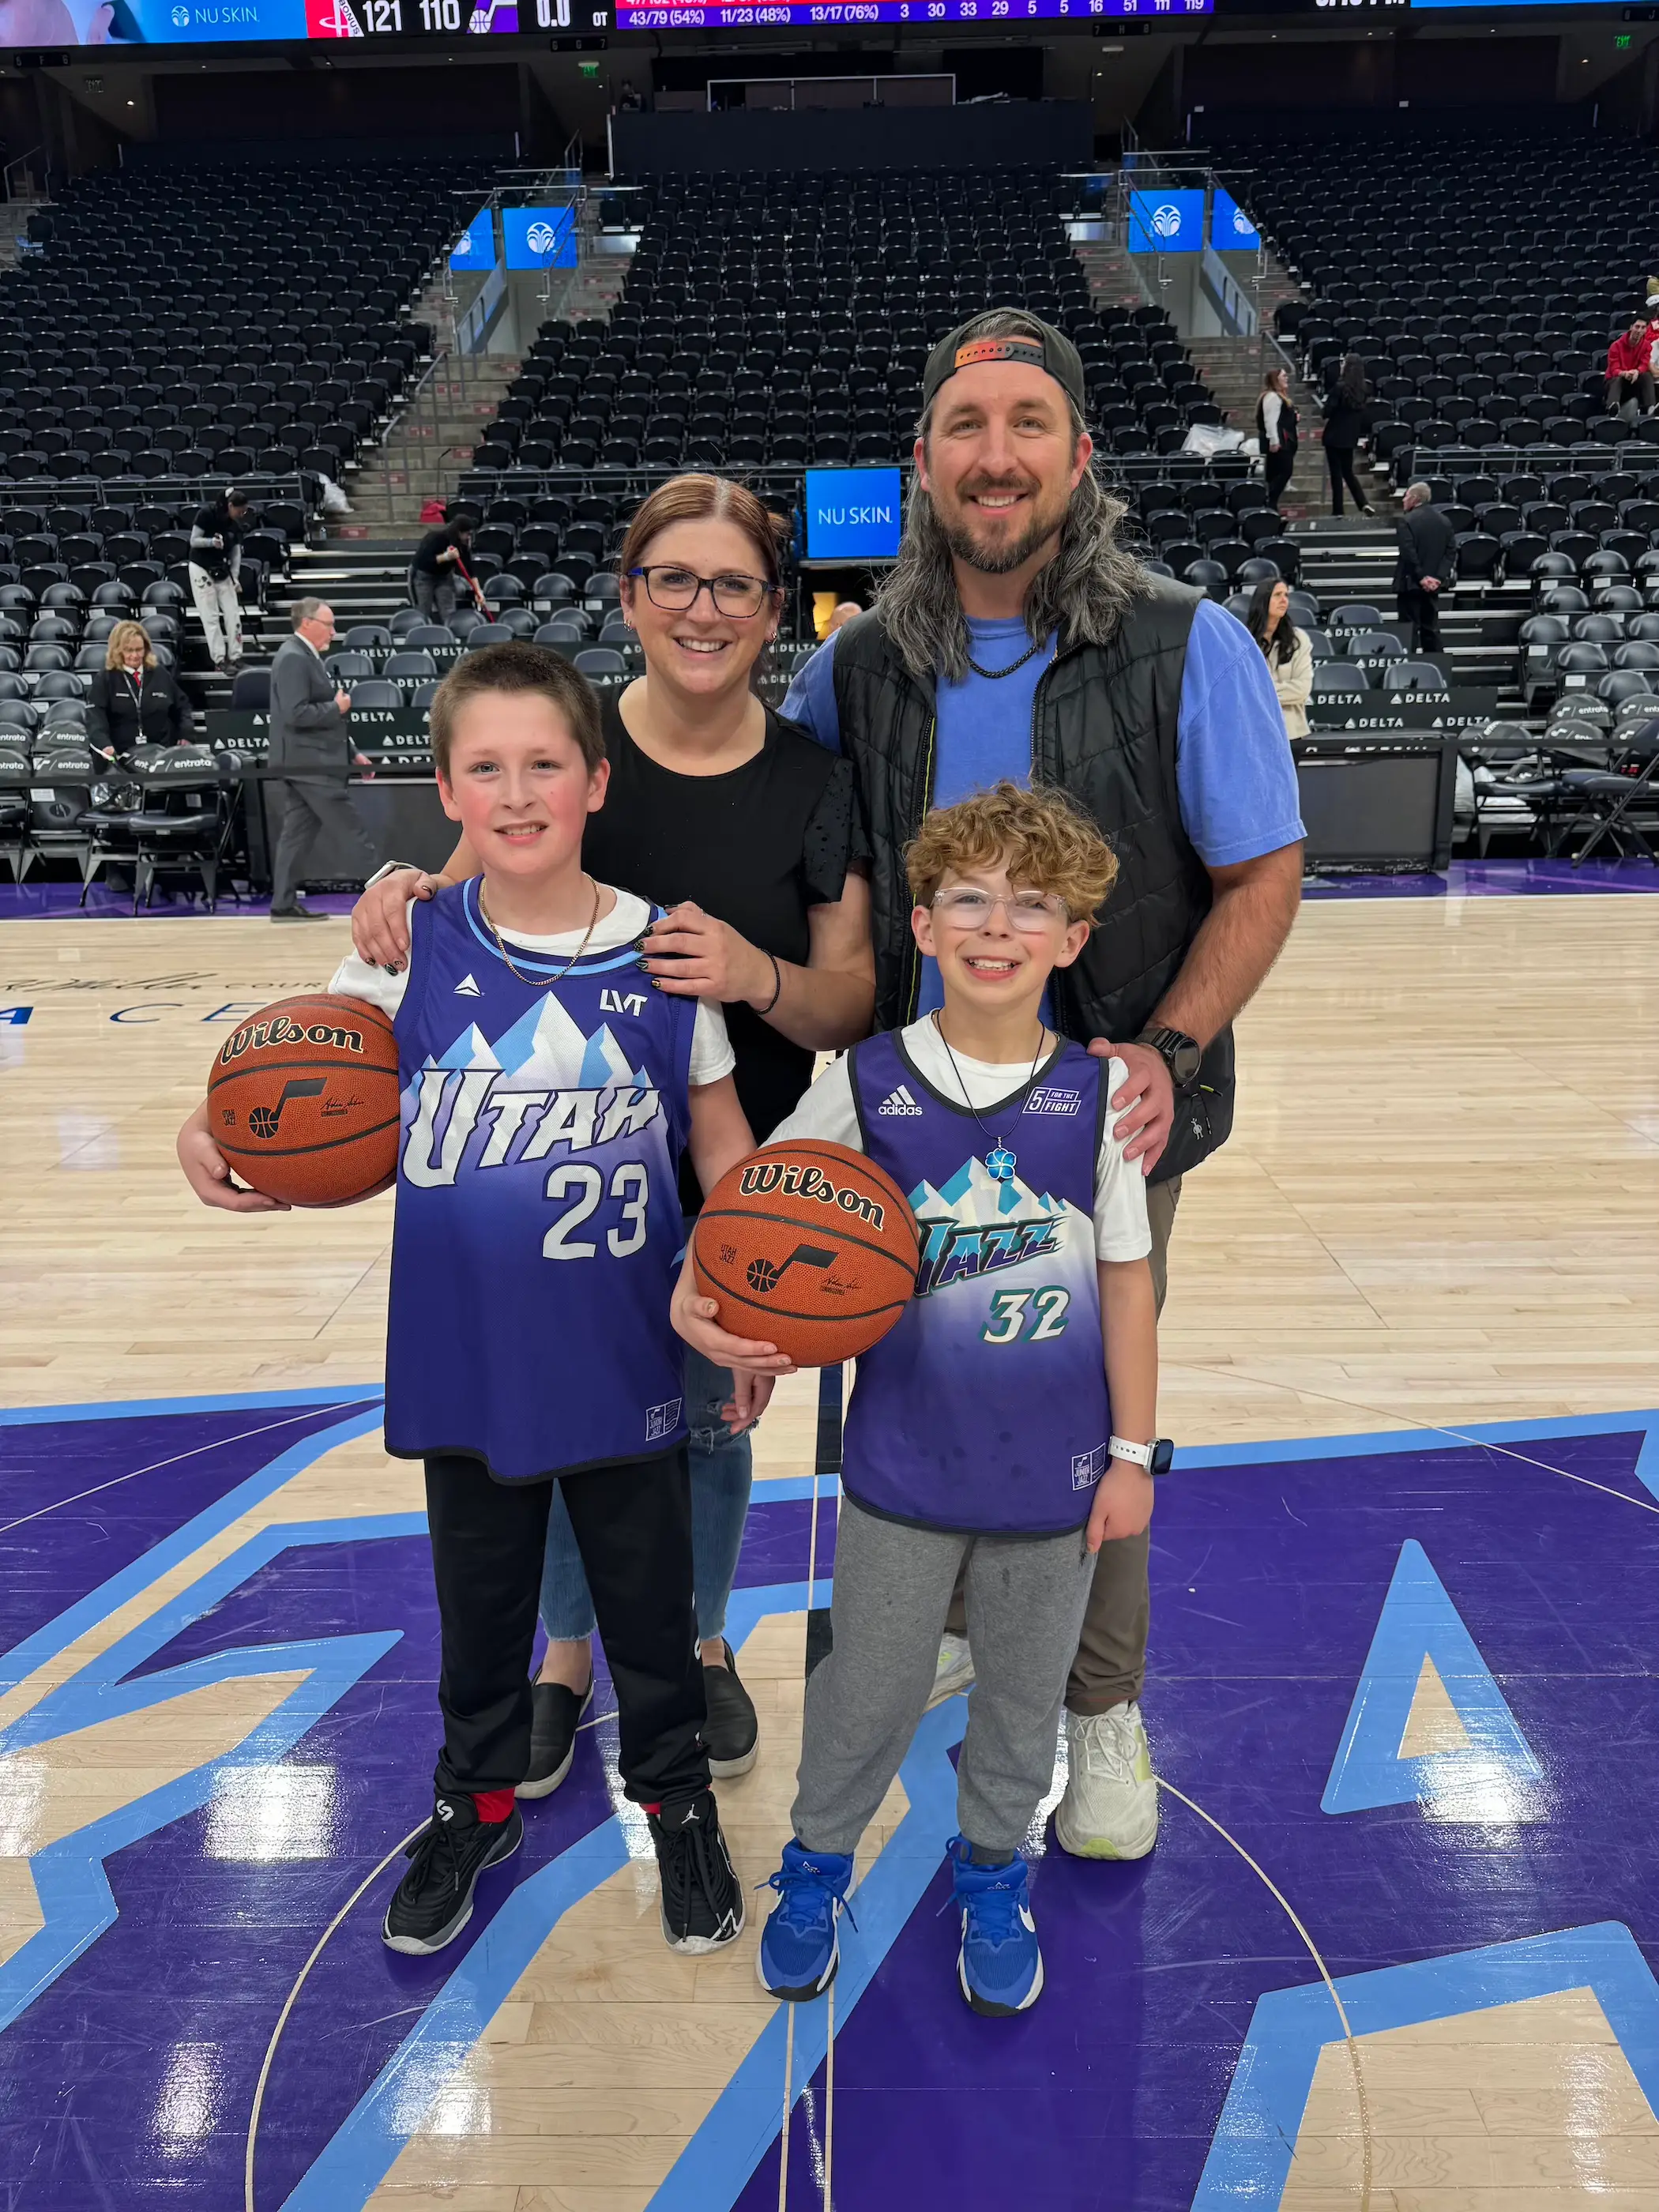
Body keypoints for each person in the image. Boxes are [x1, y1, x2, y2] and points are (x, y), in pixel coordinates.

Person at [777, 307, 1305, 1862]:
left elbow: (1263, 875)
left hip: (1099, 1120)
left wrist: (1173, 1045)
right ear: (923, 465)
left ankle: (1098, 1697)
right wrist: (458, 865)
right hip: (910, 1104)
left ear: (1079, 457)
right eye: (965, 427)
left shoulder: (1180, 638)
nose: (994, 455)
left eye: (1026, 424)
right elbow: (720, 789)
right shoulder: (860, 665)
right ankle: (953, 1611)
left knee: (1087, 1407)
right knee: (918, 1376)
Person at [176, 643, 757, 1961]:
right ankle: (474, 1802)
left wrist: (737, 1283)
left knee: (653, 1617)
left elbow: (723, 1151)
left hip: (627, 1359)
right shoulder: (405, 948)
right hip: (467, 1361)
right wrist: (206, 1137)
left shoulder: (666, 954)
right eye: (485, 767)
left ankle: (675, 1807)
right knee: (480, 1612)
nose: (516, 792)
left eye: (544, 763)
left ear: (597, 781)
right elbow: (283, 1084)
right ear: (445, 789)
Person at [345, 475, 875, 1790]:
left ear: (773, 606)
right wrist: (400, 888)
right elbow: (461, 905)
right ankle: (568, 1656)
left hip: (725, 1154)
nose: (704, 610)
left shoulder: (817, 781)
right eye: (675, 581)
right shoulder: (568, 746)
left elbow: (850, 995)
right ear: (632, 595)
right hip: (556, 1154)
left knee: (704, 1426)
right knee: (568, 1415)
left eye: (734, 584)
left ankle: (692, 1644)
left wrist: (754, 976)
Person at [724, 784, 1161, 2016]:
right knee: (865, 1688)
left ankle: (990, 1870)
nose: (996, 925)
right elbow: (771, 1214)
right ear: (922, 925)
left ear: (1072, 940)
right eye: (967, 896)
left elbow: (1127, 1288)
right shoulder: (865, 1083)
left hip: (1056, 1478)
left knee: (1024, 1703)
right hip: (902, 1470)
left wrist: (1130, 1453)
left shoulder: (1098, 1100)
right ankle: (815, 1865)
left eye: (1034, 905)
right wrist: (750, 1321)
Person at [265, 598, 378, 923]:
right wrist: (337, 708)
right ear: (307, 623)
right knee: (353, 831)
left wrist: (352, 751)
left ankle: (282, 905)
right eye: (328, 624)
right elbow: (296, 713)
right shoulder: (293, 658)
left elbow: (317, 716)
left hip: (309, 762)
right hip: (310, 766)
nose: (333, 631)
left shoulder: (303, 656)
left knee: (296, 836)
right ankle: (394, 896)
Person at [85, 620, 193, 757]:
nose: (135, 655)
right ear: (117, 650)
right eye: (129, 650)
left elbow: (182, 706)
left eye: (139, 649)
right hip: (120, 756)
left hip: (160, 753)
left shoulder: (160, 674)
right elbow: (95, 717)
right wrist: (105, 745)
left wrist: (186, 734)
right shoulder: (105, 678)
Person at [188, 487, 252, 673]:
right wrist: (211, 543)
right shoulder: (206, 514)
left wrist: (236, 577)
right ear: (230, 505)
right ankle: (219, 659)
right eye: (240, 511)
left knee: (233, 615)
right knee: (211, 617)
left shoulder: (235, 525)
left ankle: (236, 656)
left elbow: (236, 553)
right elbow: (194, 540)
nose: (242, 514)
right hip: (201, 568)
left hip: (223, 570)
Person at [1393, 482, 1457, 656]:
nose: (1403, 500)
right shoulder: (1444, 521)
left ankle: (1408, 670)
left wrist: (1421, 577)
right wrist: (1437, 578)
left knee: (1408, 632)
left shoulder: (1407, 521)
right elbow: (1451, 552)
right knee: (1431, 629)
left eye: (1406, 496)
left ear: (1414, 499)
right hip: (1433, 587)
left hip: (1410, 585)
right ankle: (1436, 671)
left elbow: (1408, 553)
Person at [1245, 578, 1311, 739]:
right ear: (1263, 600)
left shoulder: (1299, 639)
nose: (1284, 600)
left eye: (1286, 595)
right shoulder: (1244, 640)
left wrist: (1261, 692)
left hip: (1291, 733)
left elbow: (1302, 689)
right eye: (1277, 595)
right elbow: (1243, 690)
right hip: (1254, 732)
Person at [1321, 355, 1373, 518]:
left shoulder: (1339, 387)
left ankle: (1338, 510)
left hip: (1334, 436)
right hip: (1350, 438)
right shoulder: (1363, 389)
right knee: (1348, 472)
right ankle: (1363, 502)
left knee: (1336, 474)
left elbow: (1327, 411)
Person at [409, 514, 476, 624]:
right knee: (423, 611)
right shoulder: (435, 538)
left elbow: (470, 570)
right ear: (459, 532)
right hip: (423, 576)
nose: (469, 537)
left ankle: (450, 635)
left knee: (448, 611)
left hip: (444, 577)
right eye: (467, 534)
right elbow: (426, 560)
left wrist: (478, 592)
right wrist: (446, 557)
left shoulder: (462, 546)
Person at [1258, 366, 1298, 511]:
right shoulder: (1272, 397)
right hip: (1279, 442)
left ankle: (1271, 506)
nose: (1286, 378)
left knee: (1276, 473)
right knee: (1285, 471)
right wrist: (1274, 441)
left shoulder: (1281, 397)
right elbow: (1270, 421)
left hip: (1284, 440)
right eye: (1283, 376)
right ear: (1276, 379)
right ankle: (1269, 500)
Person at [1604, 320, 1654, 423]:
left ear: (1646, 330)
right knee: (1617, 379)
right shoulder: (1616, 346)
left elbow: (1644, 364)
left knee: (1647, 376)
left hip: (1634, 380)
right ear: (1631, 327)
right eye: (1637, 327)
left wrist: (1637, 371)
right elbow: (1614, 369)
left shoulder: (1647, 346)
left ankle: (1651, 409)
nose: (1639, 330)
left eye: (1643, 328)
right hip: (1616, 381)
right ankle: (1612, 408)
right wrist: (1624, 373)